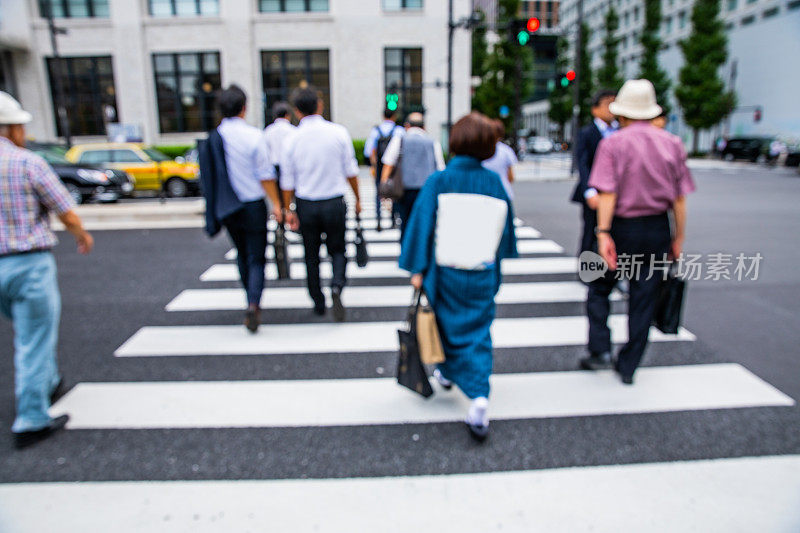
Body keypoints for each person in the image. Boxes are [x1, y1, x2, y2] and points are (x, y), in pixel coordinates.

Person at [399, 112, 518, 442]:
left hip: (445, 269)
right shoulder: (494, 183)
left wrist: (417, 269)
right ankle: (477, 396)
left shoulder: (439, 181)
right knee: (478, 331)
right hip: (481, 269)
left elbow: (421, 226)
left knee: (445, 325)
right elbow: (505, 237)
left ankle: (454, 377)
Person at [0, 91, 94, 449]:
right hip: (27, 263)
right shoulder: (28, 163)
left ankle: (49, 380)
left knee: (29, 334)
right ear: (9, 129)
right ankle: (31, 419)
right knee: (33, 337)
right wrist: (81, 234)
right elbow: (64, 209)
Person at [589, 79, 695, 385]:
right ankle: (629, 364)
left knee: (598, 287)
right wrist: (678, 237)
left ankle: (599, 349)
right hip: (657, 227)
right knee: (644, 297)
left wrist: (603, 233)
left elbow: (606, 193)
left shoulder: (613, 143)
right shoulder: (672, 143)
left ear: (622, 114)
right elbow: (679, 199)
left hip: (621, 226)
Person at [198, 85, 283, 334]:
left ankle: (249, 297)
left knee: (241, 253)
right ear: (244, 108)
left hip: (227, 205)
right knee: (257, 256)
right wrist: (277, 204)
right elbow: (266, 175)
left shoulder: (214, 137)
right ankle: (254, 303)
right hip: (253, 204)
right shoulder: (254, 136)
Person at [280, 86, 361, 322]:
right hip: (334, 201)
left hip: (306, 204)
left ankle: (317, 300)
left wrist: (288, 210)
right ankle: (337, 285)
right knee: (337, 249)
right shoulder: (338, 133)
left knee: (311, 255)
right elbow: (351, 171)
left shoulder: (291, 139)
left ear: (296, 111)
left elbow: (287, 181)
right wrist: (357, 198)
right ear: (320, 105)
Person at [570, 90, 619, 371]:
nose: (611, 108)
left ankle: (609, 272)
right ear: (595, 109)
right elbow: (583, 161)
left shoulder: (618, 131)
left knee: (607, 234)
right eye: (607, 104)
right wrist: (589, 188)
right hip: (594, 194)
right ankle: (589, 270)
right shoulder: (589, 132)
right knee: (591, 234)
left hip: (613, 198)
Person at [380, 111, 445, 239]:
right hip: (427, 190)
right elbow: (440, 169)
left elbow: (388, 164)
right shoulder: (432, 142)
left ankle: (406, 253)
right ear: (424, 127)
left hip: (404, 191)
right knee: (425, 225)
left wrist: (384, 189)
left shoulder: (399, 140)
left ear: (407, 125)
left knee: (405, 224)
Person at [364, 108, 404, 231]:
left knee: (378, 192)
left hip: (380, 167)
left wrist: (373, 166)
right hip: (394, 167)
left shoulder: (376, 131)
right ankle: (393, 219)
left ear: (383, 116)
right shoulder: (399, 130)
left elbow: (368, 151)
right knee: (395, 192)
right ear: (395, 116)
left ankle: (378, 220)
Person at [482, 118, 518, 201]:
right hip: (504, 191)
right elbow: (511, 177)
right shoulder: (506, 150)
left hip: (485, 193)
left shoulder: (481, 150)